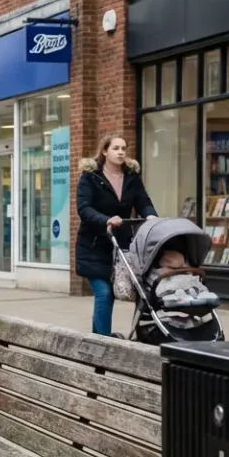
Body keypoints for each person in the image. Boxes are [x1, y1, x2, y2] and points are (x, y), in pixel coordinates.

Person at [76, 136, 157, 336]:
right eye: (116, 148)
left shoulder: (131, 177)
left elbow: (143, 201)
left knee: (140, 292)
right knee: (104, 294)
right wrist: (106, 219)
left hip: (123, 246)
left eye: (124, 148)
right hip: (94, 247)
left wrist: (151, 215)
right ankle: (105, 343)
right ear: (105, 151)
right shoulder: (91, 177)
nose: (121, 152)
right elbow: (84, 208)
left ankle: (99, 341)